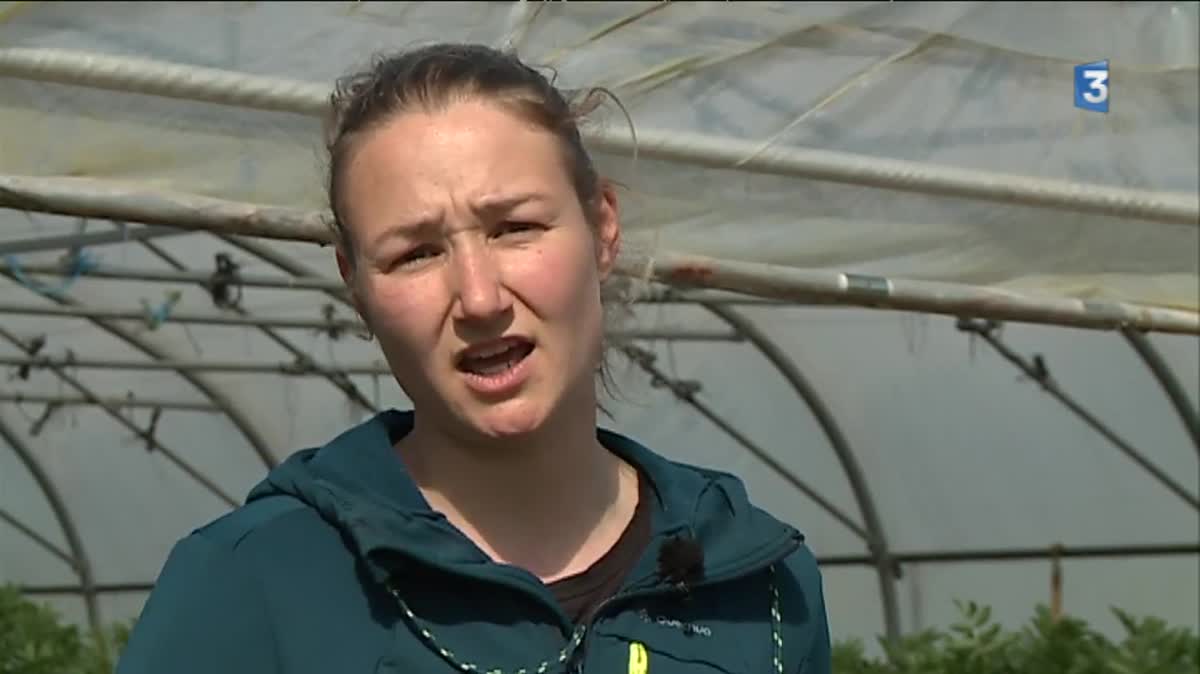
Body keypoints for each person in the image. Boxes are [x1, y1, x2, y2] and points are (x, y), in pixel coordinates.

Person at [116, 43, 832, 674]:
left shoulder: (758, 588)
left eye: (515, 227)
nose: (480, 297)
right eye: (416, 252)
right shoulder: (255, 583)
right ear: (354, 284)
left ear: (602, 227)